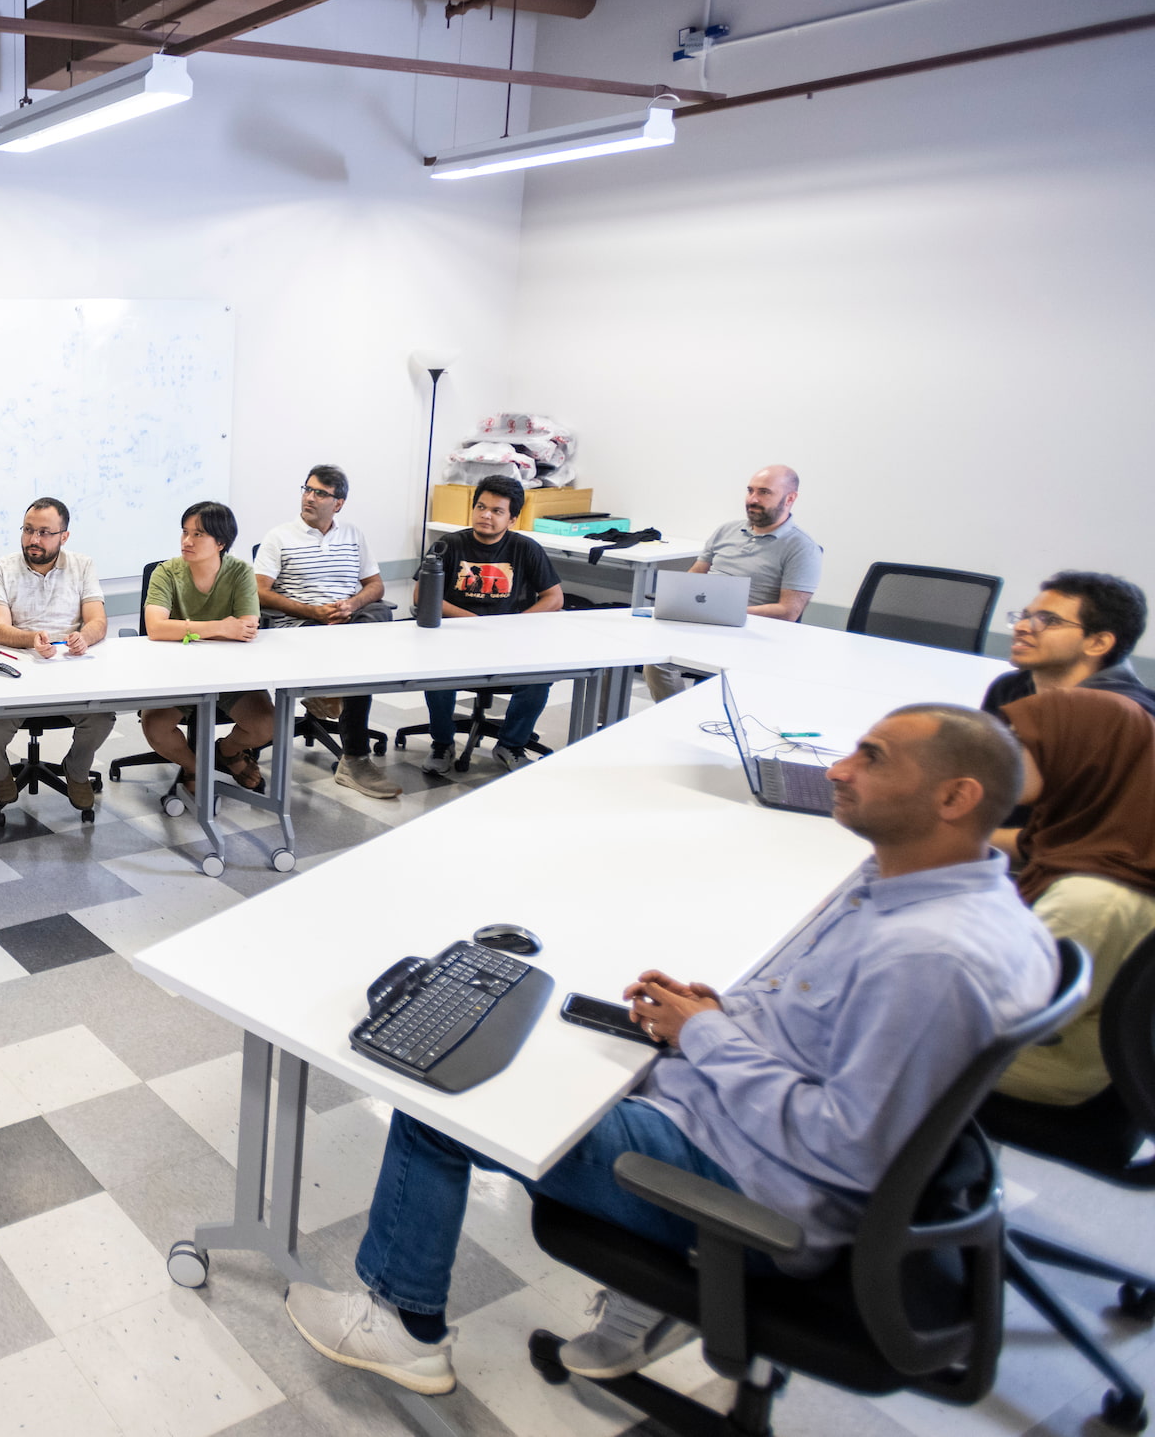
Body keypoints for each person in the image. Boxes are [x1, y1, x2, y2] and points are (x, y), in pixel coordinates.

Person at [282, 704, 1053, 1395]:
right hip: (738, 1123)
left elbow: (846, 1144)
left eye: (874, 758)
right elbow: (837, 1034)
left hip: (752, 1186)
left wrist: (707, 1034)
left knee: (439, 1101)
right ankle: (650, 1300)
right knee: (544, 1029)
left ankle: (402, 1325)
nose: (840, 769)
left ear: (956, 798)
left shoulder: (931, 958)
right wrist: (719, 1015)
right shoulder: (938, 889)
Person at [972, 690, 1155, 1168]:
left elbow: (1003, 1016)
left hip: (1052, 1065)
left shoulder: (1095, 898)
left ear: (1083, 759)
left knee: (826, 1027)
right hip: (1087, 1049)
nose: (1003, 754)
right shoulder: (1112, 836)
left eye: (1023, 744)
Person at [255, 465, 398, 800]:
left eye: (320, 493)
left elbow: (375, 586)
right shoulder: (279, 537)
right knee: (357, 666)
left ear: (339, 503)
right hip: (303, 623)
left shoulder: (353, 534)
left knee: (377, 615)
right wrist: (312, 611)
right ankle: (356, 758)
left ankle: (330, 694)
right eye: (307, 489)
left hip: (349, 621)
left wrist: (352, 604)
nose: (309, 497)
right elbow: (258, 592)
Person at [0, 498, 112, 814]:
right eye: (27, 530)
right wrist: (30, 639)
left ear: (64, 536)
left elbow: (98, 622)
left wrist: (84, 637)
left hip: (69, 670)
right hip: (17, 670)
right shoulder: (0, 569)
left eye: (44, 533)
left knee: (102, 718)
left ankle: (77, 770)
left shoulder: (82, 565)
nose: (33, 540)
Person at [421, 474, 563, 774]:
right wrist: (474, 622)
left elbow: (554, 597)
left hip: (508, 643)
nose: (486, 515)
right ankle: (442, 743)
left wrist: (515, 626)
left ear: (512, 518)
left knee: (539, 675)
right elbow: (423, 596)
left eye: (497, 511)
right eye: (481, 507)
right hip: (456, 638)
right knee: (435, 673)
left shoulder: (526, 548)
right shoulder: (449, 544)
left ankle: (510, 744)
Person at [645, 465, 824, 700]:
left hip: (752, 634)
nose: (752, 499)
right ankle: (675, 714)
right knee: (645, 652)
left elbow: (788, 611)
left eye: (764, 492)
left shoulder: (802, 548)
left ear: (790, 498)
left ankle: (683, 717)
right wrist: (678, 601)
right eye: (750, 491)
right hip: (706, 623)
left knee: (661, 664)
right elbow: (694, 576)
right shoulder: (726, 531)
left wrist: (726, 613)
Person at [140, 501, 274, 798]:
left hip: (229, 673)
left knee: (266, 725)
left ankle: (226, 752)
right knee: (155, 727)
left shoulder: (239, 572)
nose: (187, 541)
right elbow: (157, 628)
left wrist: (186, 631)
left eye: (198, 535)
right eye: (185, 532)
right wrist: (220, 627)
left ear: (221, 543)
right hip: (176, 674)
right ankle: (196, 767)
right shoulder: (166, 573)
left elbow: (246, 628)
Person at [981, 571, 1155, 721]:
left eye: (1050, 620)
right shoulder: (1009, 688)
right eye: (1025, 616)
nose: (1022, 627)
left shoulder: (1126, 716)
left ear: (1098, 643)